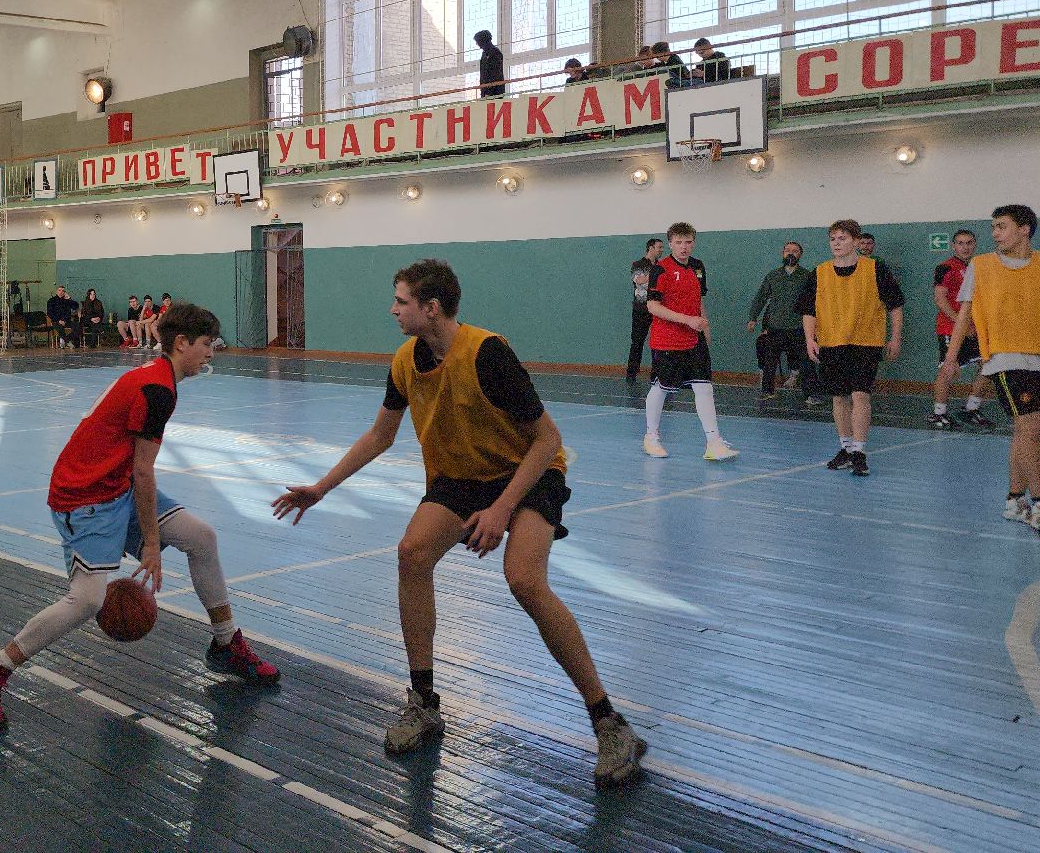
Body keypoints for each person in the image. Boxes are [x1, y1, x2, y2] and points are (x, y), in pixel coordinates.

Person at [272, 260, 647, 785]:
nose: (393, 309)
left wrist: (500, 511)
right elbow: (380, 436)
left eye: (401, 301)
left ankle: (608, 721)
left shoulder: (487, 353)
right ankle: (424, 702)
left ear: (431, 308)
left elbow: (547, 440)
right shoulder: (406, 359)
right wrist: (321, 487)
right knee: (411, 554)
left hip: (528, 471)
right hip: (460, 476)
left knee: (523, 579)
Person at [0, 302, 280, 727]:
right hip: (85, 495)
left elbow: (136, 471)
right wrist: (151, 544)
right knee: (86, 601)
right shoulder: (157, 390)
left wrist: (152, 535)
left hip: (117, 485)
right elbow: (144, 470)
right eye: (207, 345)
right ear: (182, 343)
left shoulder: (157, 378)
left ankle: (225, 643)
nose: (211, 353)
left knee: (202, 537)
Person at [942, 204, 1040, 536]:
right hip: (1004, 359)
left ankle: (1015, 502)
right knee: (1031, 428)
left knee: (1026, 431)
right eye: (993, 227)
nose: (994, 233)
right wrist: (951, 359)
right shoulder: (981, 266)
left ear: (1024, 229)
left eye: (1001, 226)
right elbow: (964, 316)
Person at [799, 219, 905, 477]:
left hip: (865, 341)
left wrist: (895, 338)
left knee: (861, 395)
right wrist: (810, 339)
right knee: (839, 397)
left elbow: (895, 305)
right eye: (833, 239)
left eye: (843, 238)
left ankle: (859, 450)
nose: (837, 243)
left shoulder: (875, 269)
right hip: (832, 341)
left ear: (856, 242)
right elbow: (808, 310)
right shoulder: (820, 272)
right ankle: (845, 447)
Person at [643, 224, 737, 461]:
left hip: (694, 339)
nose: (683, 247)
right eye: (678, 242)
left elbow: (698, 300)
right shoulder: (660, 270)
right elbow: (652, 306)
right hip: (667, 340)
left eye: (688, 242)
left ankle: (713, 442)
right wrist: (687, 320)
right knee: (661, 388)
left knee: (704, 387)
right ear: (670, 243)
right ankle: (651, 437)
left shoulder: (698, 267)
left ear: (693, 242)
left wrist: (705, 325)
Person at [929, 229, 995, 430]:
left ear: (974, 245)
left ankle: (972, 409)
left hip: (976, 329)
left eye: (969, 243)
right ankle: (938, 413)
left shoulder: (979, 267)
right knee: (948, 369)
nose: (965, 247)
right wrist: (962, 325)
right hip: (951, 327)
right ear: (953, 246)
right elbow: (940, 299)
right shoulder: (944, 268)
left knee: (988, 365)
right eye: (960, 243)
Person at [746, 241, 816, 401]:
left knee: (807, 362)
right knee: (770, 360)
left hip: (799, 327)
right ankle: (767, 391)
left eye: (795, 251)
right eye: (787, 250)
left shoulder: (807, 276)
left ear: (800, 255)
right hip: (775, 327)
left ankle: (811, 394)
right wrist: (753, 318)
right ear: (783, 254)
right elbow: (760, 297)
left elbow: (815, 301)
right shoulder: (773, 276)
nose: (791, 253)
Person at [626, 238, 662, 386]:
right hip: (641, 309)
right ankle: (632, 373)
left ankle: (657, 373)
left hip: (658, 309)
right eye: (659, 247)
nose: (661, 250)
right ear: (650, 248)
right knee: (637, 341)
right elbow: (639, 280)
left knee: (658, 342)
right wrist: (655, 273)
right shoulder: (638, 264)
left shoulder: (661, 265)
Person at [45, 285, 79, 349]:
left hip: (66, 321)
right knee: (60, 329)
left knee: (77, 326)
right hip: (56, 321)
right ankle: (67, 341)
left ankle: (65, 339)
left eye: (63, 291)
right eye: (59, 290)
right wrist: (59, 320)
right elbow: (49, 313)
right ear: (56, 292)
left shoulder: (67, 300)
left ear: (64, 292)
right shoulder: (51, 301)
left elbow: (76, 306)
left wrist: (69, 298)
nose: (61, 292)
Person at [474, 30, 505, 98]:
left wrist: (488, 91)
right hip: (486, 91)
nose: (477, 44)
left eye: (478, 42)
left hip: (494, 92)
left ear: (483, 41)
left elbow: (495, 73)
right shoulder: (484, 54)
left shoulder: (495, 52)